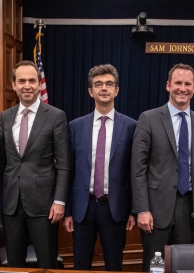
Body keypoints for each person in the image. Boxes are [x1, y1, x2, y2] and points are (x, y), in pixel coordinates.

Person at [131, 63, 194, 271]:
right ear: (168, 86)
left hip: (188, 211)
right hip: (155, 209)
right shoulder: (148, 119)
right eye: (177, 83)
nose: (182, 88)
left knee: (183, 267)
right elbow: (138, 169)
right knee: (155, 267)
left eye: (187, 84)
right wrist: (142, 209)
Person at [0, 60, 70, 268]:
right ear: (14, 85)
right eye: (21, 81)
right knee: (14, 265)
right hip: (11, 204)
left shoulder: (56, 116)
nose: (26, 85)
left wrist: (59, 201)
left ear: (39, 84)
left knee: (47, 262)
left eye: (31, 80)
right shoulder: (5, 117)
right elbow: (1, 161)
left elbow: (64, 164)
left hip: (44, 205)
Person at [63, 64, 137, 270]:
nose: (104, 88)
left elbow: (134, 172)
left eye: (109, 84)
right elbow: (68, 171)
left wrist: (133, 211)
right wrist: (68, 211)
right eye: (98, 84)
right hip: (82, 208)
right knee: (81, 265)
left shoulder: (131, 126)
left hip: (115, 208)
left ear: (117, 90)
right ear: (90, 91)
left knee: (114, 266)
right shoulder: (75, 126)